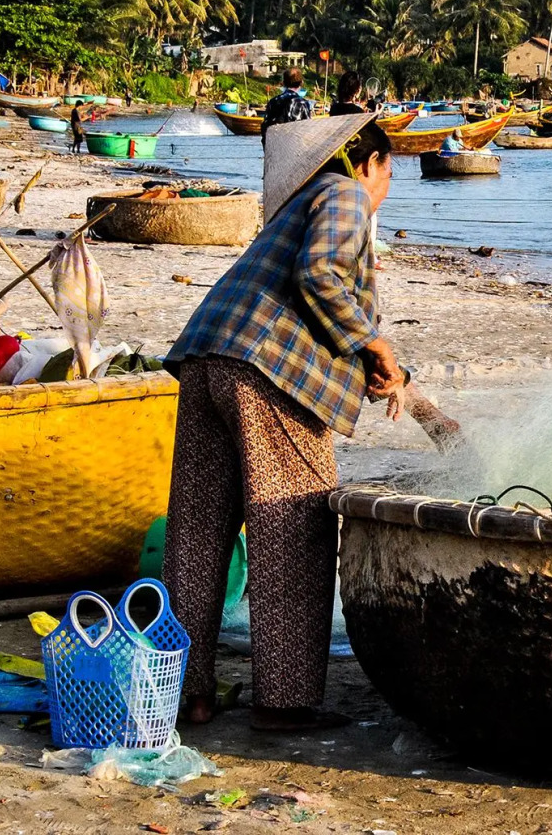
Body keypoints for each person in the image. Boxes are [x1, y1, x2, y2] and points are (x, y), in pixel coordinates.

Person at [163, 113, 401, 732]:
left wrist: (378, 364)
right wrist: (375, 345)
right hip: (265, 373)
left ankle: (184, 695)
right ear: (369, 164)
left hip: (206, 357)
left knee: (196, 535)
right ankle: (284, 702)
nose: (387, 185)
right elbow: (319, 276)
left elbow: (309, 295)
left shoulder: (301, 203)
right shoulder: (346, 193)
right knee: (291, 524)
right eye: (390, 171)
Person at [261, 66, 314, 136]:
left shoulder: (273, 101)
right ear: (301, 83)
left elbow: (265, 126)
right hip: (294, 142)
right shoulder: (302, 103)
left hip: (275, 142)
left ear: (283, 83)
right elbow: (306, 127)